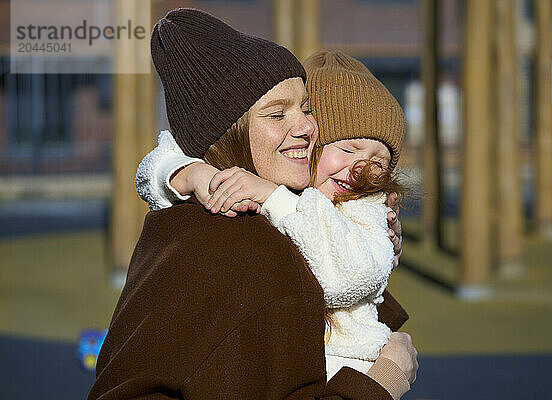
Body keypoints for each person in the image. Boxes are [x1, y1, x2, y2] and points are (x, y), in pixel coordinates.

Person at [88, 8, 417, 400]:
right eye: (277, 114)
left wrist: (378, 247)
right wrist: (381, 383)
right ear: (227, 132)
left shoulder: (228, 224)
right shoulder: (234, 249)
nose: (307, 128)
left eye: (307, 109)